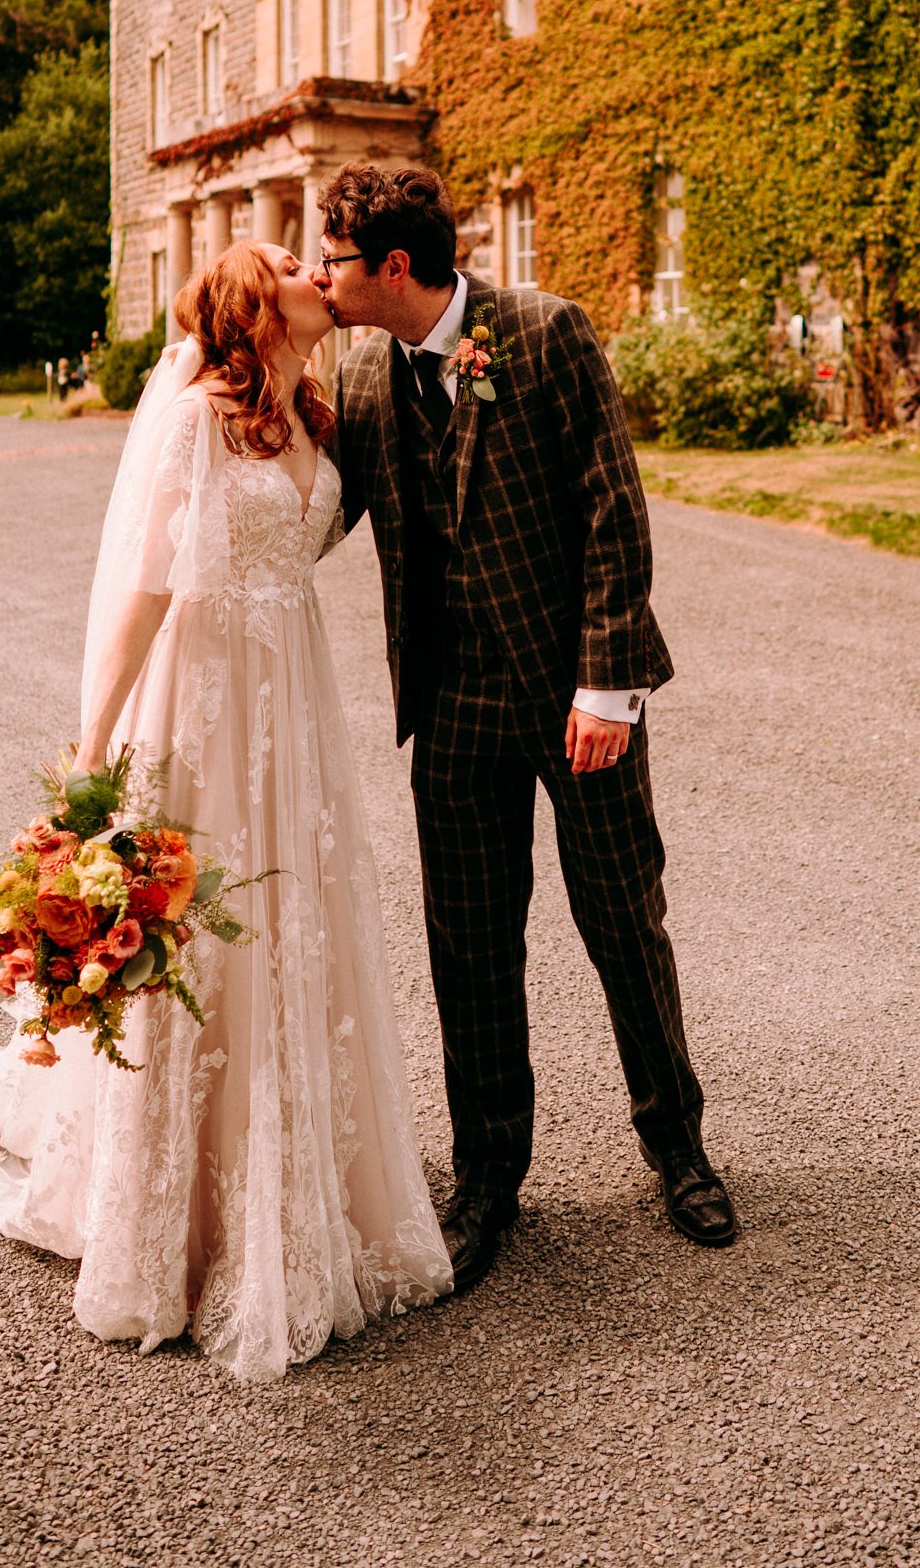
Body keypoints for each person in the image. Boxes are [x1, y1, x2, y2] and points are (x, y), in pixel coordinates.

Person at [0, 241, 451, 1378]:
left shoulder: (316, 412)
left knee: (291, 926)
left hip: (294, 702)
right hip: (203, 701)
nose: (318, 272)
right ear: (252, 306)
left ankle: (302, 1180)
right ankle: (178, 1220)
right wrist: (93, 741)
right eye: (289, 266)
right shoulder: (192, 415)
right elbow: (139, 586)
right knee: (203, 939)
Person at [316, 162, 737, 1295]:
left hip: (570, 695)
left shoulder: (544, 331)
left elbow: (613, 508)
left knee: (620, 922)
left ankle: (676, 1148)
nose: (322, 275)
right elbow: (317, 513)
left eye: (333, 259)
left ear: (392, 266)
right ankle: (487, 1177)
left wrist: (605, 690)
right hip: (449, 705)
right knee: (467, 944)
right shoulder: (361, 373)